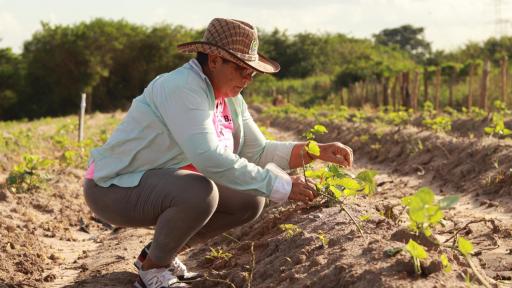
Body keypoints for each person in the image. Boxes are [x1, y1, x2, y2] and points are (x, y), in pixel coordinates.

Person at [83, 18, 353, 288]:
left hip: (153, 182)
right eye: (240, 69)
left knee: (249, 200)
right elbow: (208, 157)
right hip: (113, 187)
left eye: (252, 72)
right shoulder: (182, 87)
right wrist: (279, 184)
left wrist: (314, 151)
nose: (247, 79)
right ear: (214, 60)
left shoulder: (230, 97)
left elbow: (257, 151)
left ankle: (155, 255)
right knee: (200, 191)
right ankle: (153, 271)